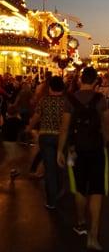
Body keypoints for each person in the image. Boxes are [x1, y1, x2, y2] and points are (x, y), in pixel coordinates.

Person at [57, 67, 108, 251]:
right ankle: (93, 235)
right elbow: (106, 122)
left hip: (75, 149)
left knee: (79, 188)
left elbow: (64, 127)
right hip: (96, 148)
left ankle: (80, 222)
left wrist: (59, 151)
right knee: (96, 190)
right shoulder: (100, 99)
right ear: (95, 81)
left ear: (80, 80)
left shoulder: (70, 99)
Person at [27, 76, 71, 209]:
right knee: (60, 166)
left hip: (46, 137)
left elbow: (36, 117)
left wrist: (29, 128)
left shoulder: (44, 100)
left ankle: (51, 200)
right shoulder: (66, 102)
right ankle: (60, 191)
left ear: (50, 87)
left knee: (49, 168)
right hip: (62, 138)